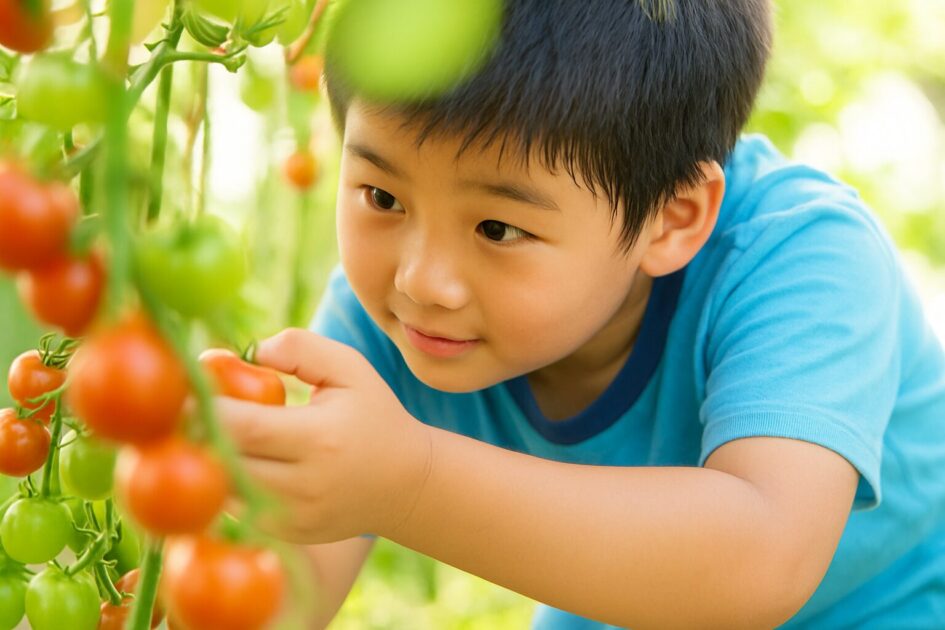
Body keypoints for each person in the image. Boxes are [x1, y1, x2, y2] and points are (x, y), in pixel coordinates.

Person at [216, 0, 945, 627]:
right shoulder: (389, 319)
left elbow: (762, 556)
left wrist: (406, 481)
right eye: (382, 197)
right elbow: (283, 593)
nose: (421, 279)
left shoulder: (802, 258)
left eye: (497, 229)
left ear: (671, 219)